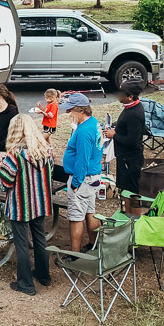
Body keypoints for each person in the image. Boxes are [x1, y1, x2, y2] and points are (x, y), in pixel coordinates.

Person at [0, 115, 53, 296]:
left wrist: (0, 170)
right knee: (39, 238)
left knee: (21, 244)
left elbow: (5, 183)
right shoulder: (45, 152)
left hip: (20, 205)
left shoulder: (14, 156)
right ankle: (44, 276)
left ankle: (25, 284)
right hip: (40, 202)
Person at [60, 93, 102, 253]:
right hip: (93, 176)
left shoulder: (84, 131)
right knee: (90, 212)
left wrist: (76, 183)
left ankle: (75, 255)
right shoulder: (94, 123)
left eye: (70, 110)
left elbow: (82, 161)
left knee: (76, 218)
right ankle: (93, 245)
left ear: (80, 110)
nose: (68, 114)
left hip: (83, 179)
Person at [103, 80, 145, 214]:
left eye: (121, 93)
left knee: (133, 193)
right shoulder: (129, 108)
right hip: (124, 158)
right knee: (126, 192)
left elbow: (133, 141)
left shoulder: (134, 114)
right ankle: (128, 218)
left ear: (130, 96)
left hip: (130, 160)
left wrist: (114, 135)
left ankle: (136, 221)